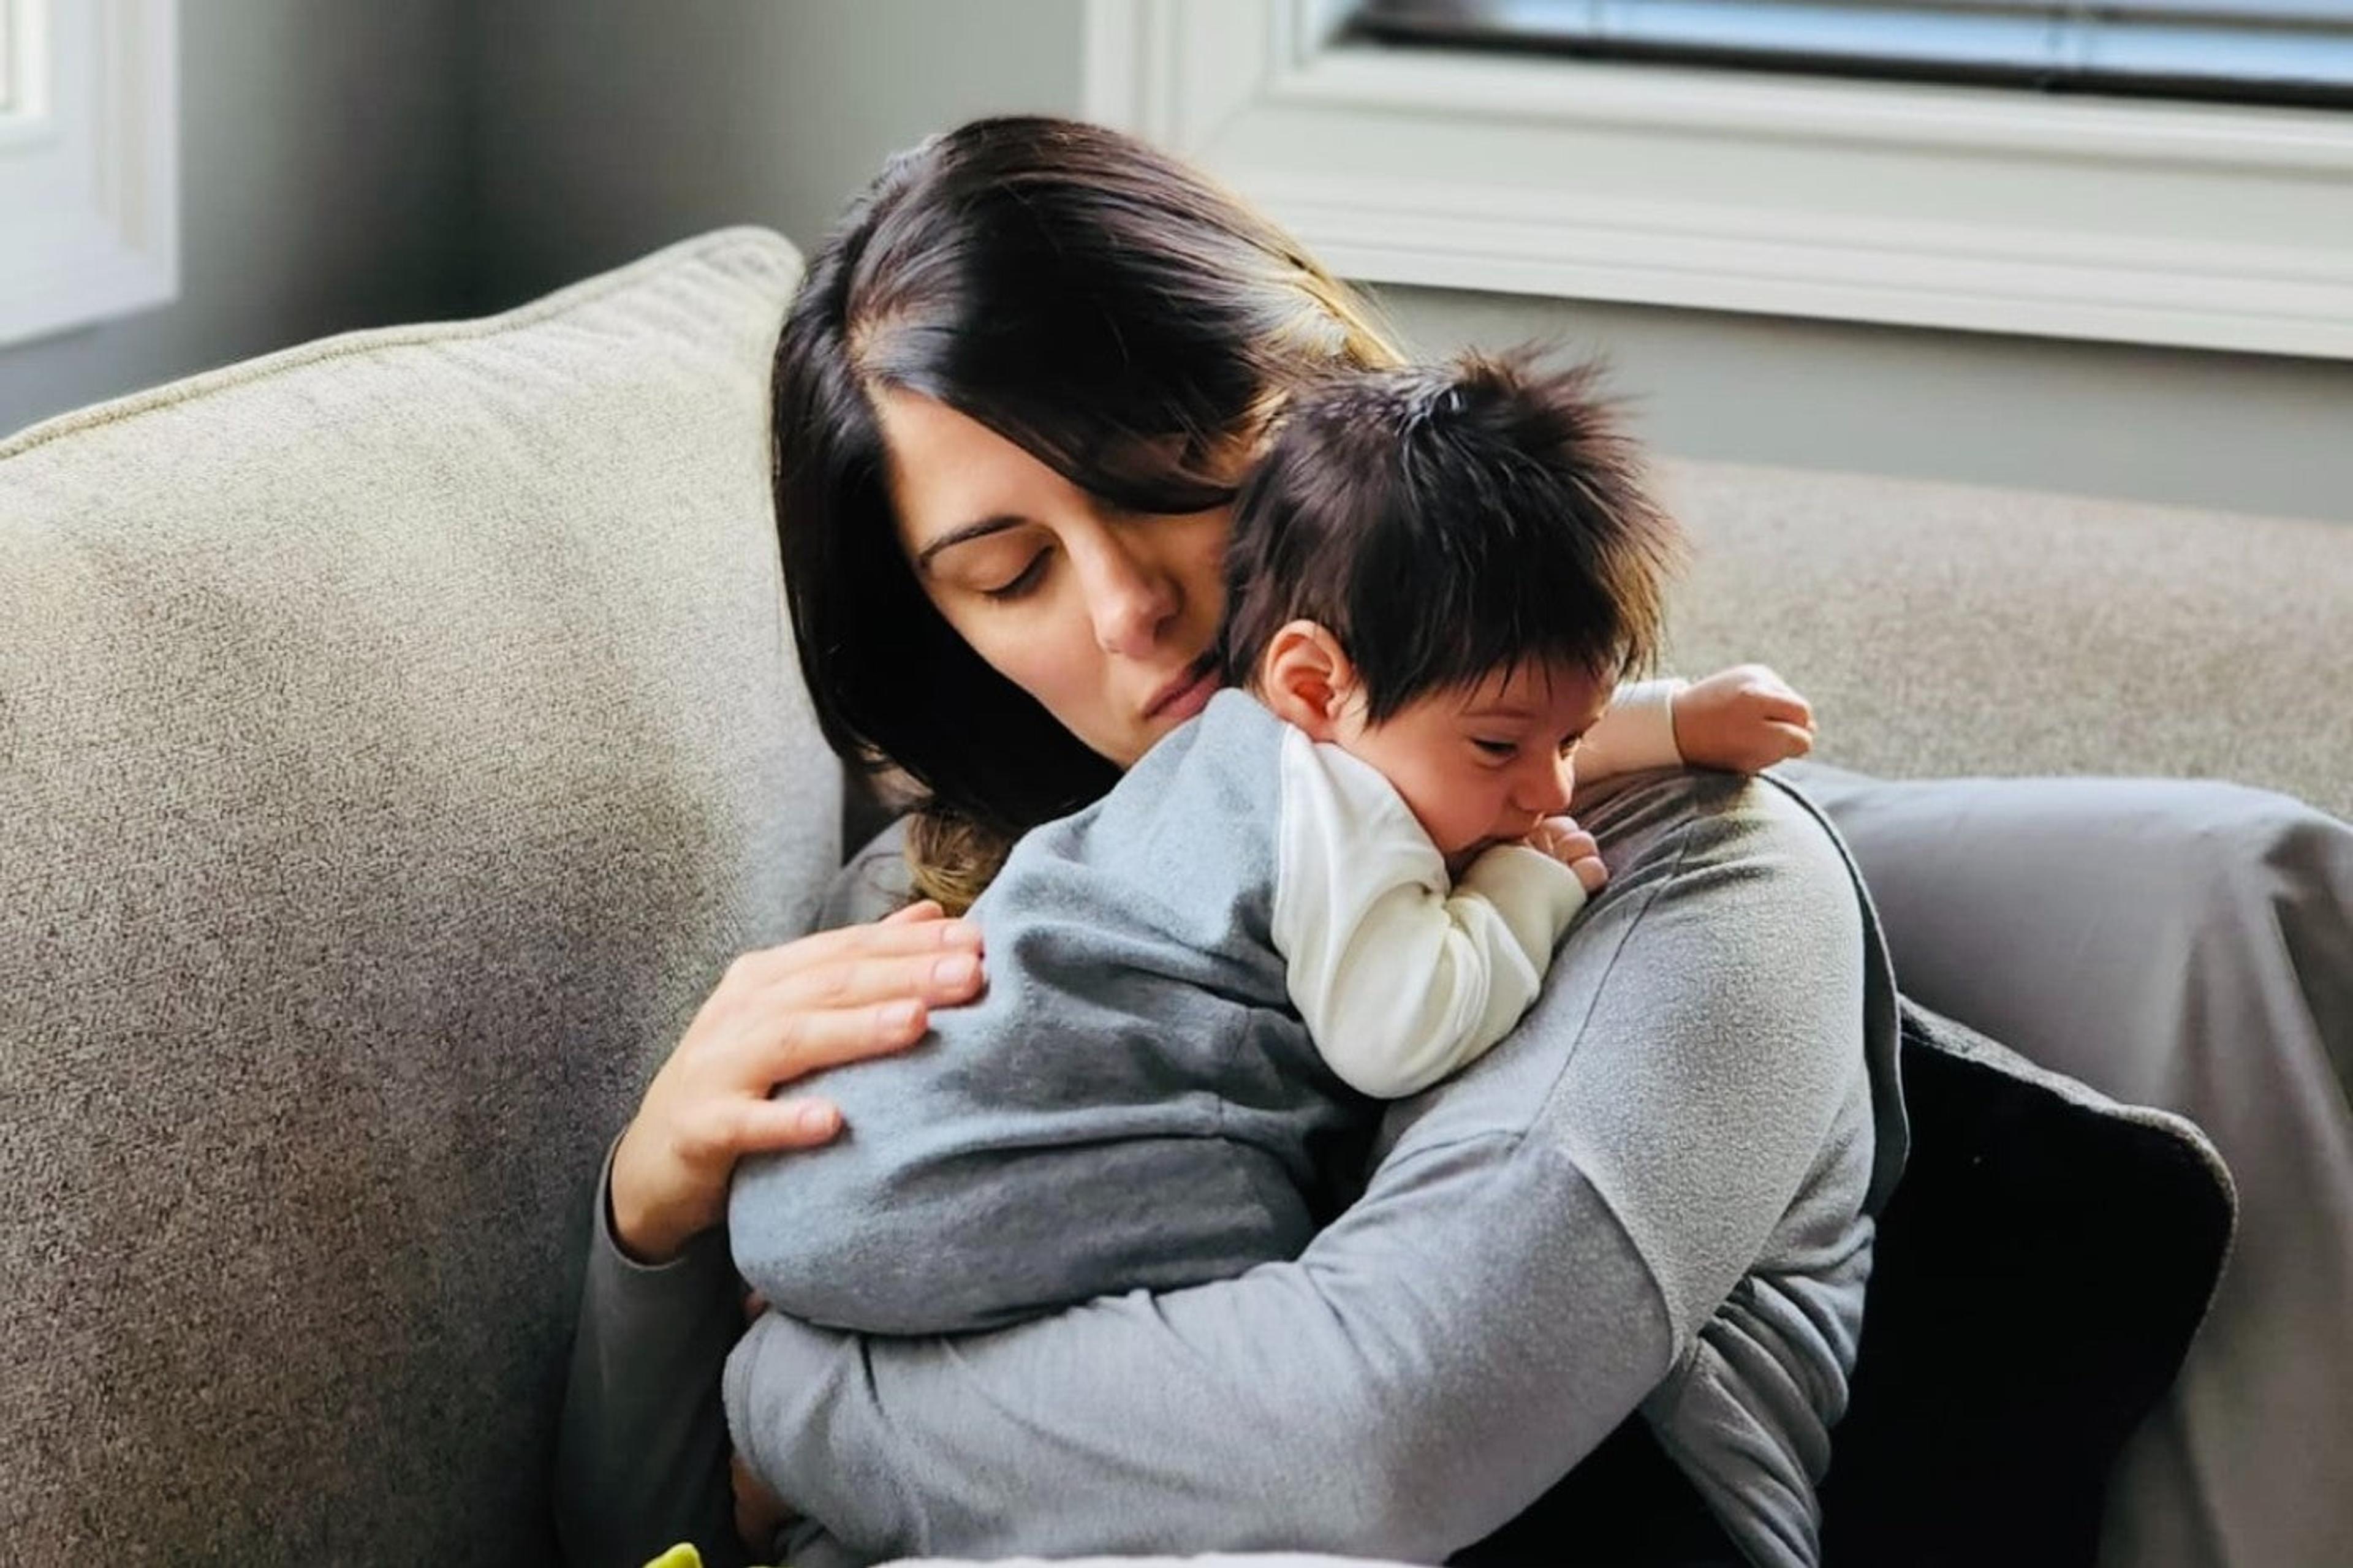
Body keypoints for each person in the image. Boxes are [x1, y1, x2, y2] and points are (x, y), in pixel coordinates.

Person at [555, 116, 2353, 1568]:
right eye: (1010, 572)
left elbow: (1386, 1432)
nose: (1130, 611)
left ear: (1333, 405)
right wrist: (653, 1215)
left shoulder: (1685, 870)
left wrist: (804, 1410)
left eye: (1178, 468)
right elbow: (645, 1542)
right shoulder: (932, 917)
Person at [726, 349, 1821, 1343]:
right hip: (956, 1181)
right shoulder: (1346, 811)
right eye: (1014, 571)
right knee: (1261, 1254)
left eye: (1574, 742)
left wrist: (1676, 720)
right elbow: (1397, 1033)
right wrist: (1523, 889)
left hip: (826, 1184)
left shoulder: (1270, 731)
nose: (1552, 791)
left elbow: (1472, 726)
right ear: (1311, 683)